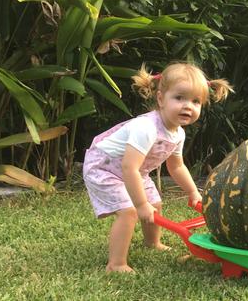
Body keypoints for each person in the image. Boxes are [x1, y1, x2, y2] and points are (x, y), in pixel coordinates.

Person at [82, 62, 233, 273]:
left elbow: (176, 166)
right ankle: (116, 264)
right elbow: (128, 167)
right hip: (104, 168)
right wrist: (140, 204)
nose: (188, 106)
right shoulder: (146, 128)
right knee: (129, 211)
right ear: (161, 99)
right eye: (179, 98)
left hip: (134, 171)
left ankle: (152, 242)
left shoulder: (178, 133)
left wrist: (192, 192)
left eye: (196, 101)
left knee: (155, 202)